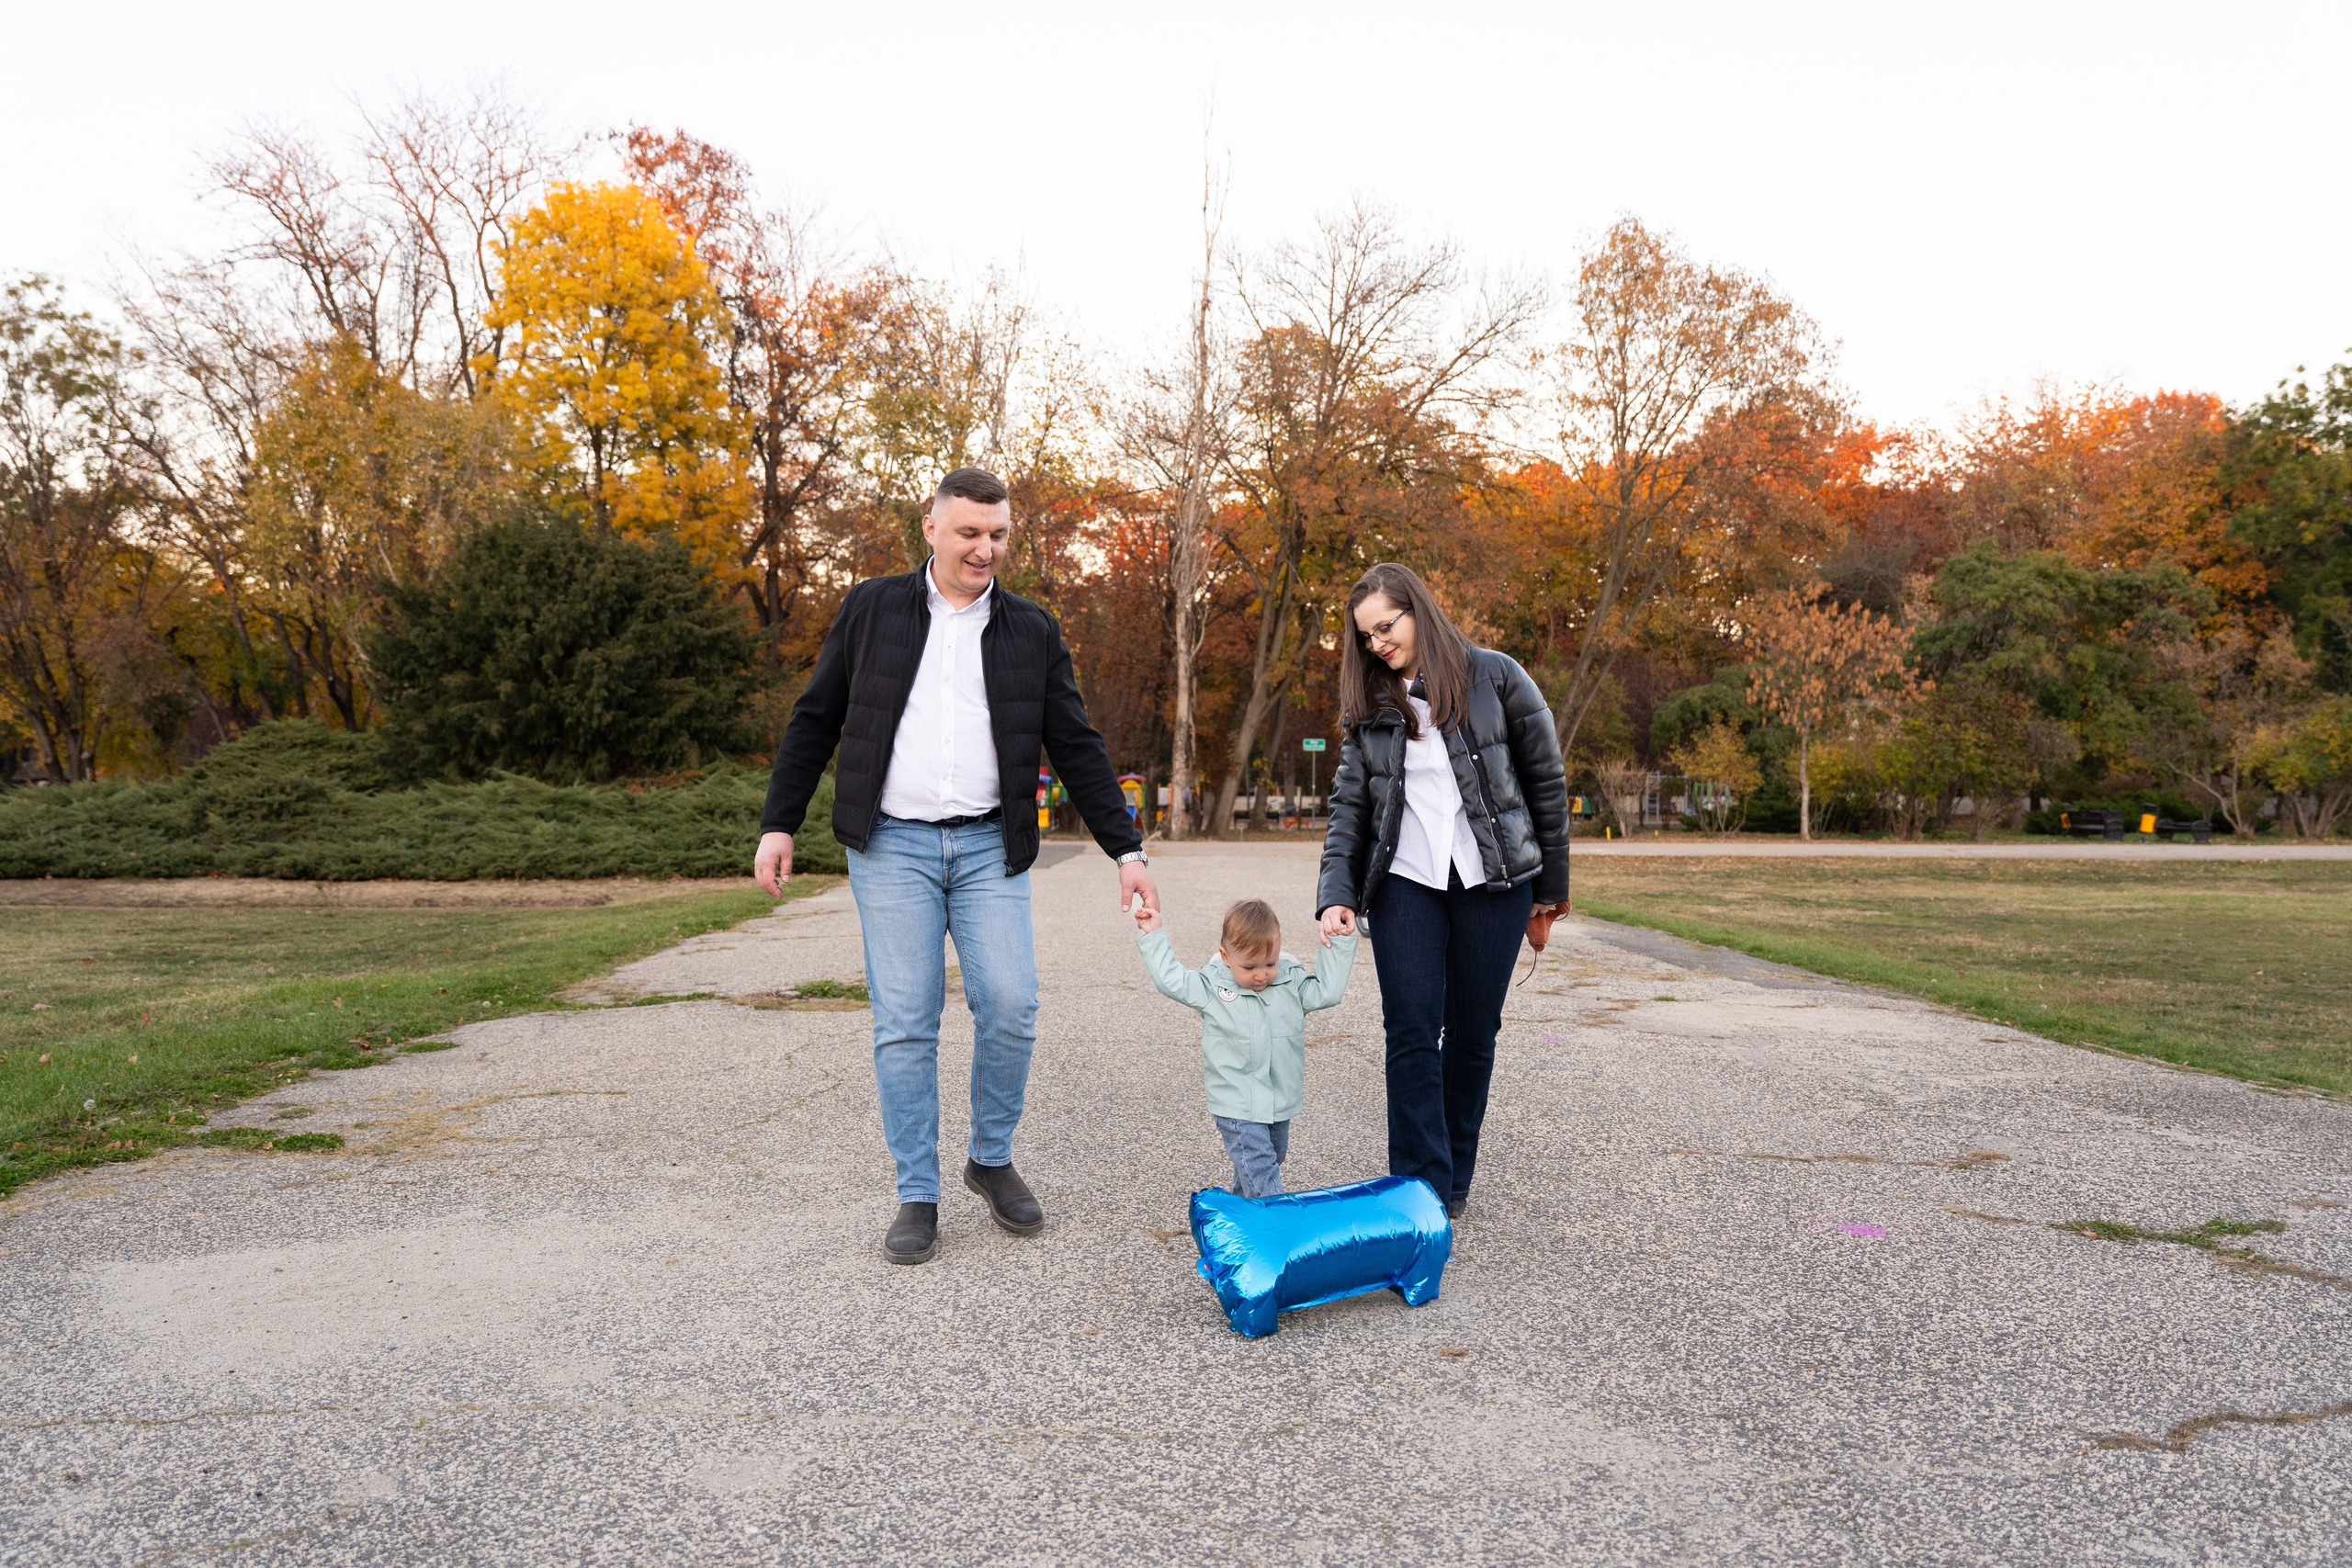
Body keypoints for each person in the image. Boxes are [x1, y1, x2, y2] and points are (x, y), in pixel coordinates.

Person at [754, 467, 1159, 1266]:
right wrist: (779, 822)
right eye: (969, 532)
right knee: (906, 1021)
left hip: (986, 846)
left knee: (1010, 1005)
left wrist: (1128, 847)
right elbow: (816, 718)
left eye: (998, 534)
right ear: (932, 528)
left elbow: (1076, 744)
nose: (985, 548)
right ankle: (918, 1191)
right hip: (891, 843)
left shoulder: (1031, 631)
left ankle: (989, 1156)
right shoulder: (872, 608)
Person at [1314, 563, 1570, 1220]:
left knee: (1473, 1030)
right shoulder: (1369, 706)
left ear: (1418, 610)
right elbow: (1350, 807)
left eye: (1386, 625)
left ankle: (1454, 1170)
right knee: (1410, 1027)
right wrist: (1336, 893)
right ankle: (1418, 1187)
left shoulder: (1497, 676)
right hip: (1405, 883)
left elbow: (1545, 783)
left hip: (1494, 881)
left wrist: (1552, 889)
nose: (1378, 643)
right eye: (1366, 635)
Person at [1135, 897, 1356, 1198]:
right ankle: (1280, 1225)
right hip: (1236, 1102)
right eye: (1250, 966)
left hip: (1279, 1100)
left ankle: (1238, 1215)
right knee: (1260, 1165)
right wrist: (1153, 934)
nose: (1261, 974)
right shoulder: (1211, 986)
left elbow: (1328, 992)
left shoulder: (1291, 984)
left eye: (1270, 963)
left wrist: (1337, 942)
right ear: (1226, 956)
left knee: (1269, 1160)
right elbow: (1170, 979)